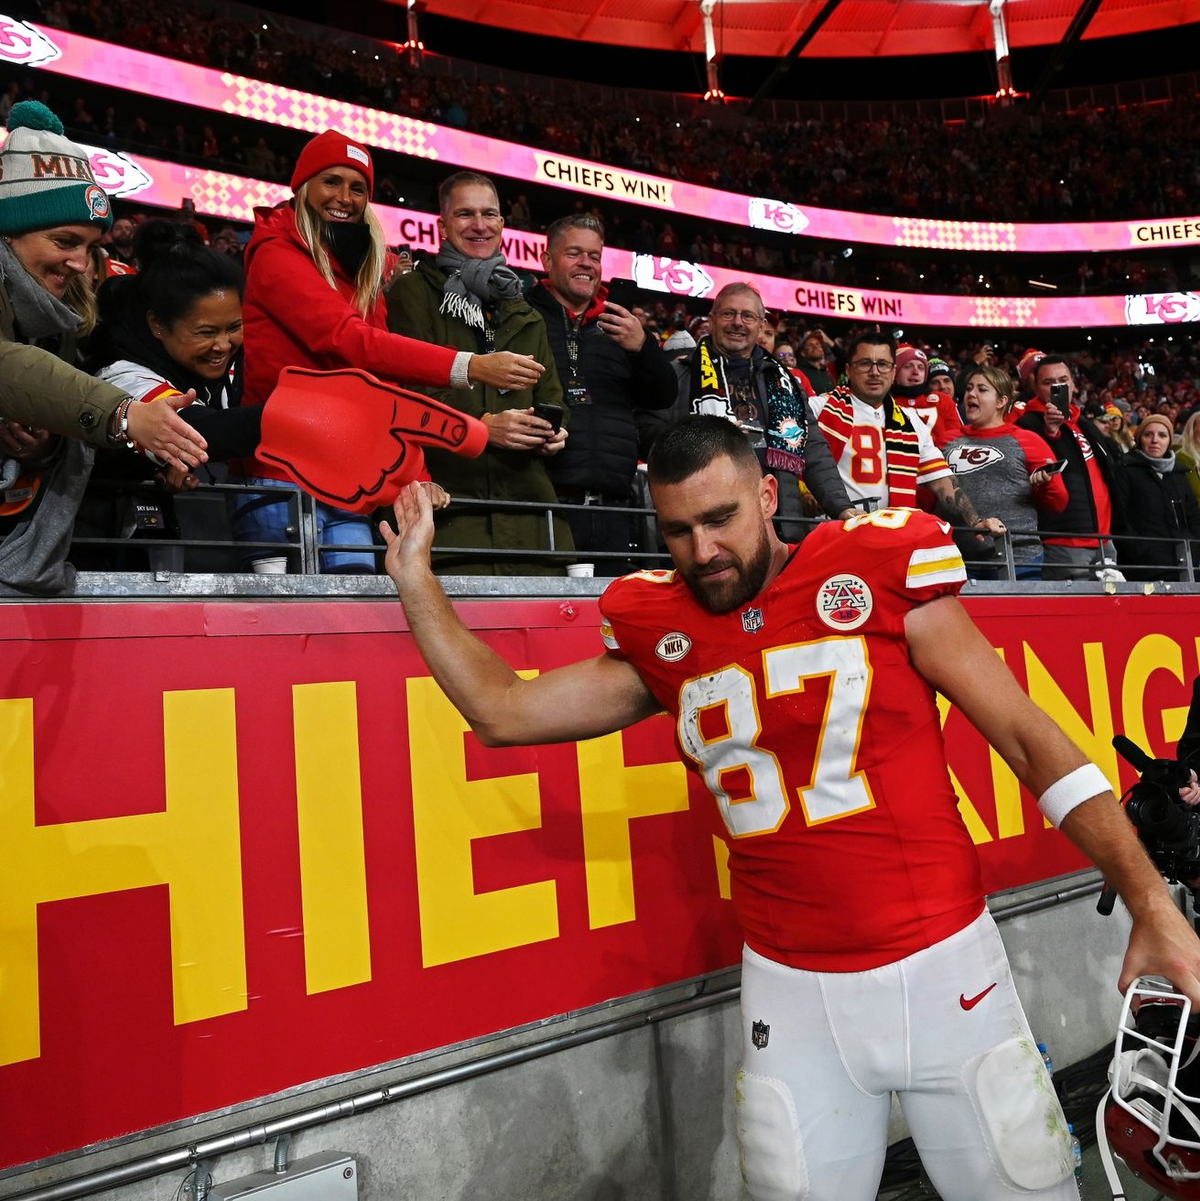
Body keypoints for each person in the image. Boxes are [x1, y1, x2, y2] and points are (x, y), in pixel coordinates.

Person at [380, 415, 1200, 1201]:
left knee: (1025, 1188)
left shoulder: (873, 572)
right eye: (677, 530)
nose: (703, 551)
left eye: (720, 517)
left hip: (940, 965)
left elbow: (1026, 737)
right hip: (789, 988)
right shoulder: (662, 628)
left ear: (768, 497)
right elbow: (503, 711)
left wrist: (1150, 901)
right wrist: (416, 577)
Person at [236, 135, 539, 573]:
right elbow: (348, 339)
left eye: (358, 188)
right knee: (275, 623)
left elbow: (383, 384)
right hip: (278, 470)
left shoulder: (363, 265)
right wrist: (468, 366)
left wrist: (417, 472)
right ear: (302, 186)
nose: (345, 198)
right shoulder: (274, 252)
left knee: (352, 618)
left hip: (345, 473)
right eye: (331, 182)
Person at [0, 101, 207, 595]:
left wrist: (47, 436)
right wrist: (122, 415)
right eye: (64, 240)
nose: (79, 262)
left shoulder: (58, 311)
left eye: (90, 246)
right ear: (10, 228)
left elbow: (41, 388)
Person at [387, 170, 571, 575]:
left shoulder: (525, 312)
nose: (479, 225)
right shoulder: (413, 293)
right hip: (450, 512)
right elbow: (403, 395)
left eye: (489, 214)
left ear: (503, 224)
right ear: (443, 225)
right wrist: (484, 426)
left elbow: (552, 397)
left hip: (529, 520)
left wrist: (552, 431)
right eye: (465, 214)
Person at [86, 219, 262, 567]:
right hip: (101, 554)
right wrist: (299, 415)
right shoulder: (120, 372)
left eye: (235, 327)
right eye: (205, 332)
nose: (223, 345)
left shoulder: (226, 366)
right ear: (157, 325)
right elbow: (194, 427)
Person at [643, 282, 858, 540]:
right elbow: (647, 436)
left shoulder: (785, 381)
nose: (738, 322)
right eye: (728, 314)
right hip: (709, 528)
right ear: (711, 320)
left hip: (780, 528)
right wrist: (699, 440)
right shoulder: (679, 376)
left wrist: (841, 507)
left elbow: (812, 447)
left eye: (748, 316)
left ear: (760, 325)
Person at [528, 214, 676, 574]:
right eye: (574, 253)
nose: (586, 264)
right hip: (543, 504)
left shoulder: (624, 326)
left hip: (614, 507)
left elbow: (663, 395)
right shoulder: (523, 316)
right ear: (547, 261)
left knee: (613, 623)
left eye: (594, 256)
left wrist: (642, 347)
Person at [810, 332, 1006, 539]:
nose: (875, 372)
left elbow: (942, 482)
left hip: (890, 536)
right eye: (865, 364)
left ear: (893, 372)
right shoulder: (820, 408)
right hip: (833, 532)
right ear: (848, 369)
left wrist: (975, 520)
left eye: (883, 364)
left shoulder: (911, 421)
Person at [941, 365, 1067, 578]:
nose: (971, 394)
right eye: (969, 388)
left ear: (1001, 401)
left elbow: (1058, 502)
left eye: (982, 389)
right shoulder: (945, 441)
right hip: (956, 559)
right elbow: (927, 496)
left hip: (1018, 558)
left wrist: (1046, 485)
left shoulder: (1029, 440)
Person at [1016, 355, 1123, 580]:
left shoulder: (1084, 424)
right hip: (1063, 541)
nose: (1057, 387)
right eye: (1048, 383)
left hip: (1105, 540)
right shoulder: (1027, 425)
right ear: (1036, 387)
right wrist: (1051, 433)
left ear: (1073, 384)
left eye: (1063, 380)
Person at [1113, 412, 1200, 581]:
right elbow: (1119, 519)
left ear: (1169, 441)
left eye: (1162, 435)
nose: (1155, 440)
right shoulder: (1125, 469)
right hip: (1141, 568)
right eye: (1148, 434)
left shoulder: (1179, 473)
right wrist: (1139, 550)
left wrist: (1193, 548)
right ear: (1139, 438)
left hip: (1182, 565)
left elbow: (1194, 516)